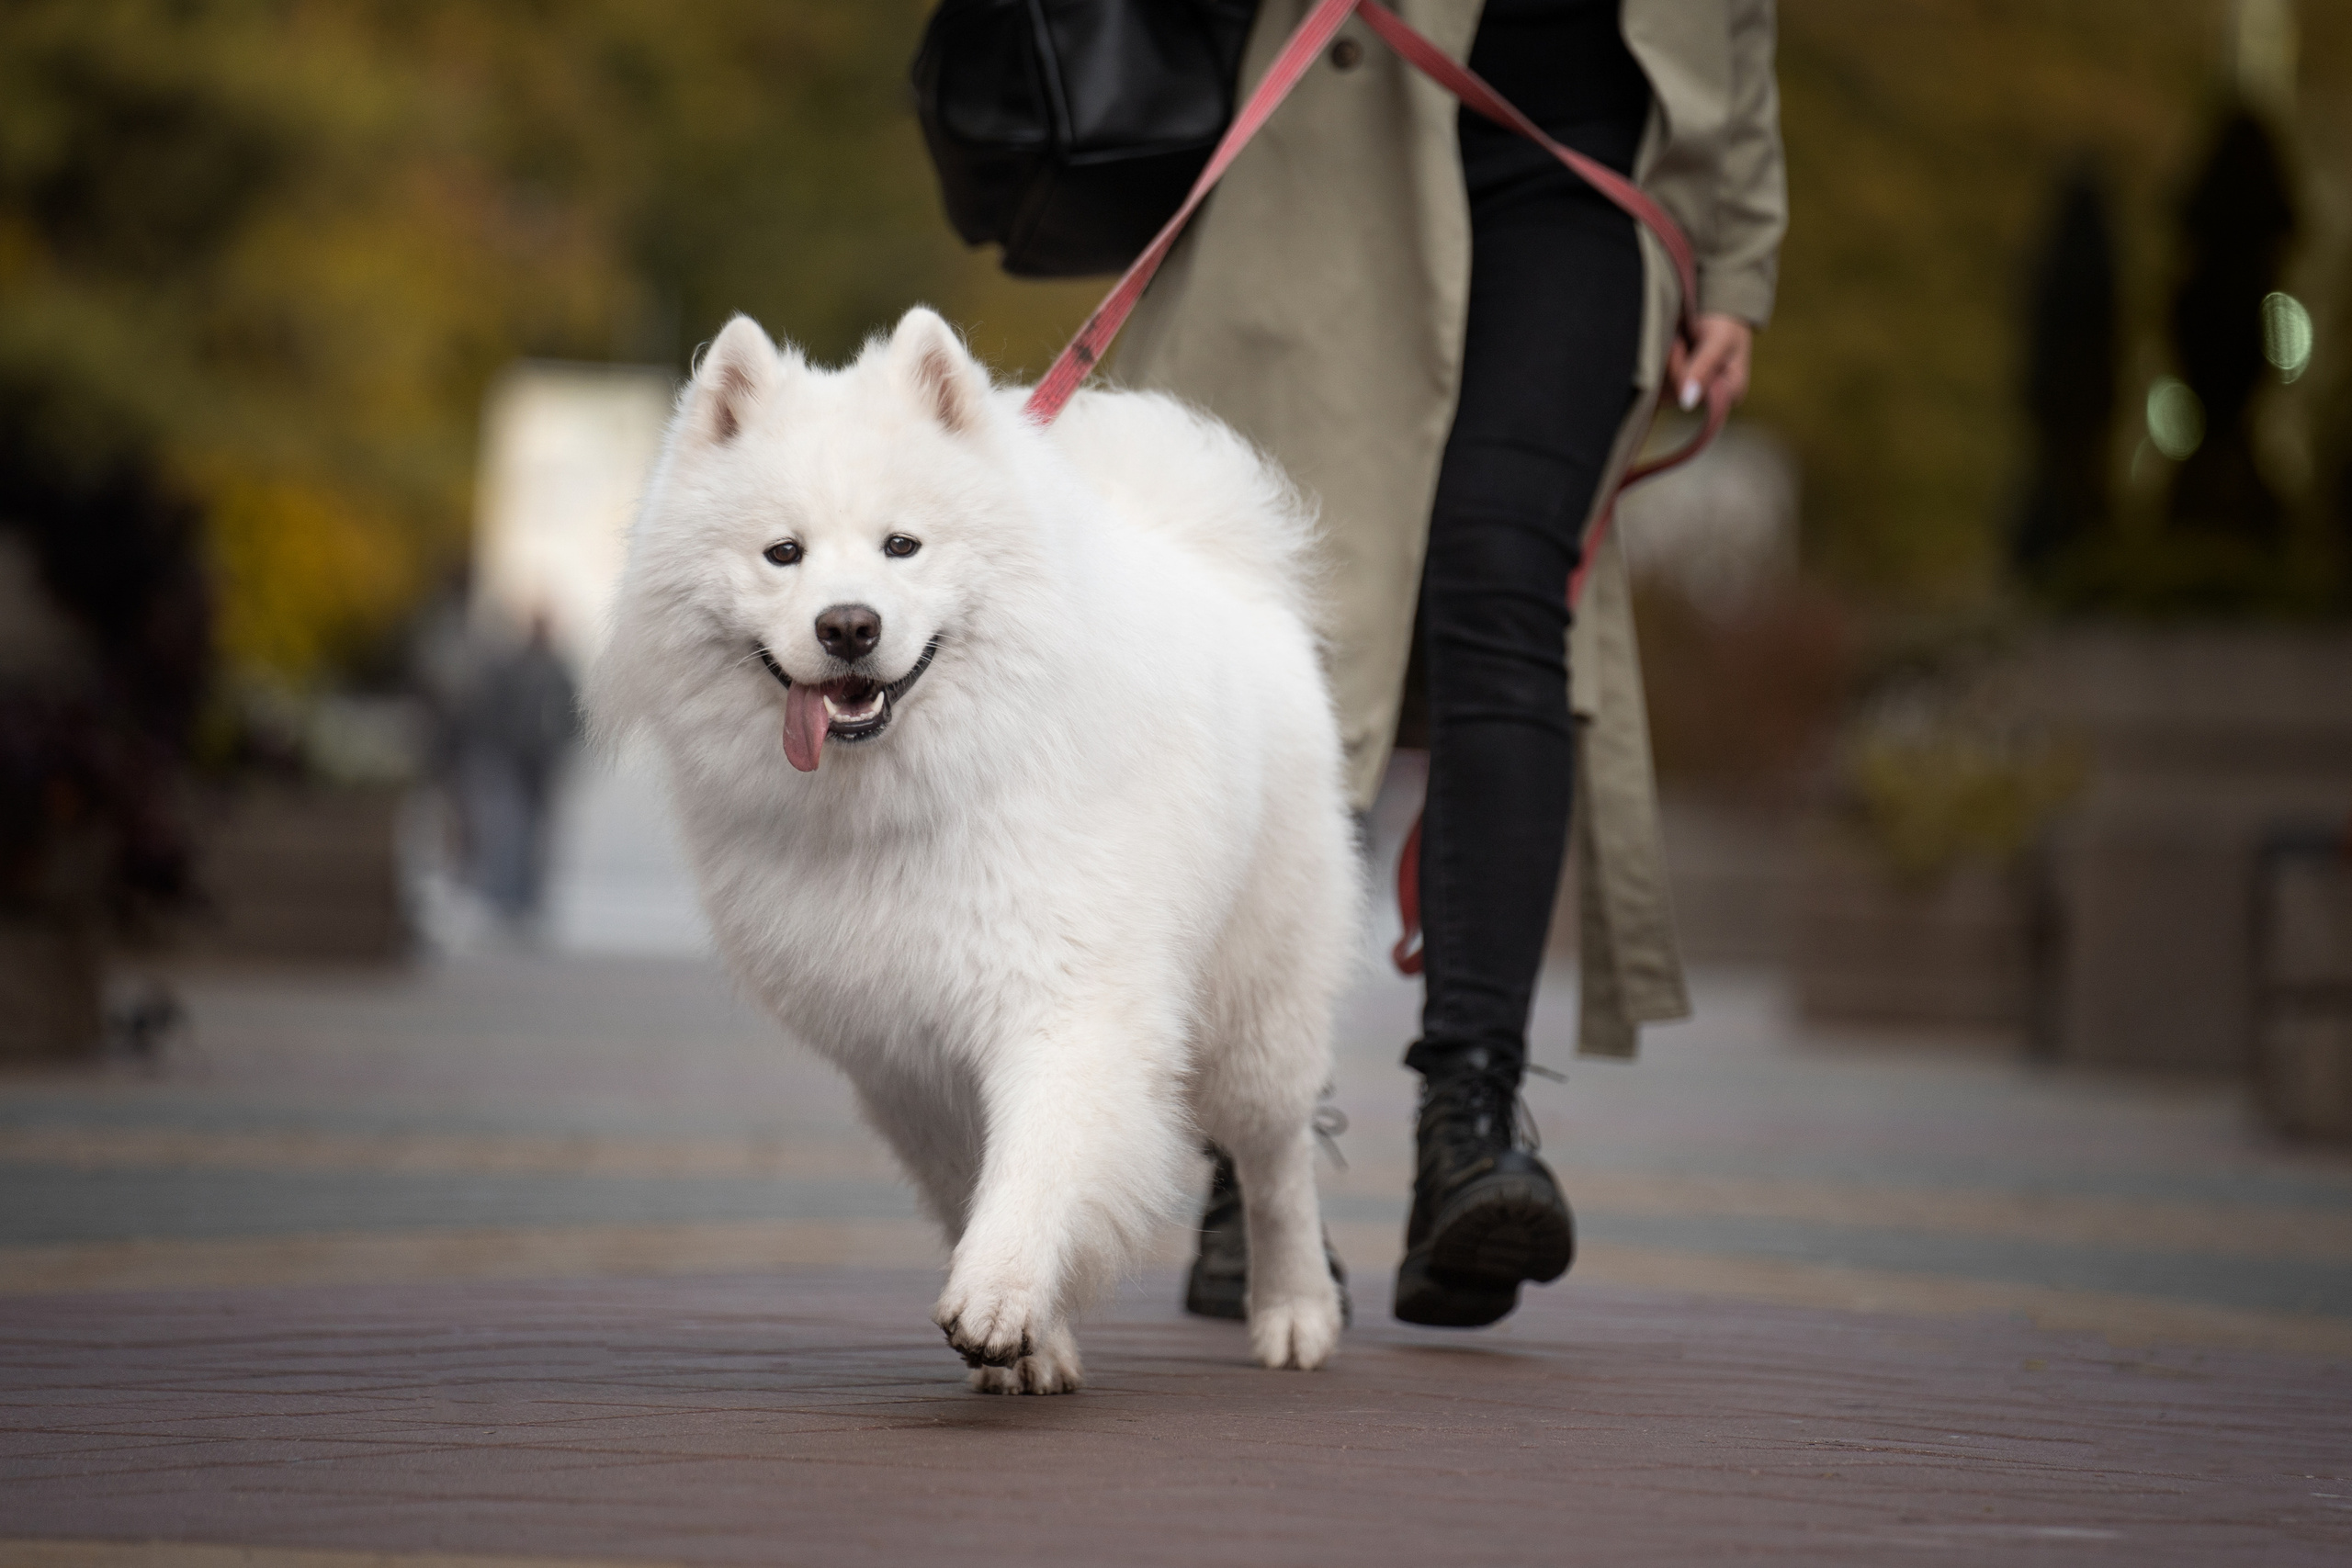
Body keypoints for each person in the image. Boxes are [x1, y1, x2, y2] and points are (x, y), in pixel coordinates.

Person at [1116, 0, 1786, 1327]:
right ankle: (1260, 1155)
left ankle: (1471, 1126)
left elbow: (1740, 23)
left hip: (1589, 180)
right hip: (1335, 145)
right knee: (1306, 624)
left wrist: (1737, 252)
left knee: (1504, 587)